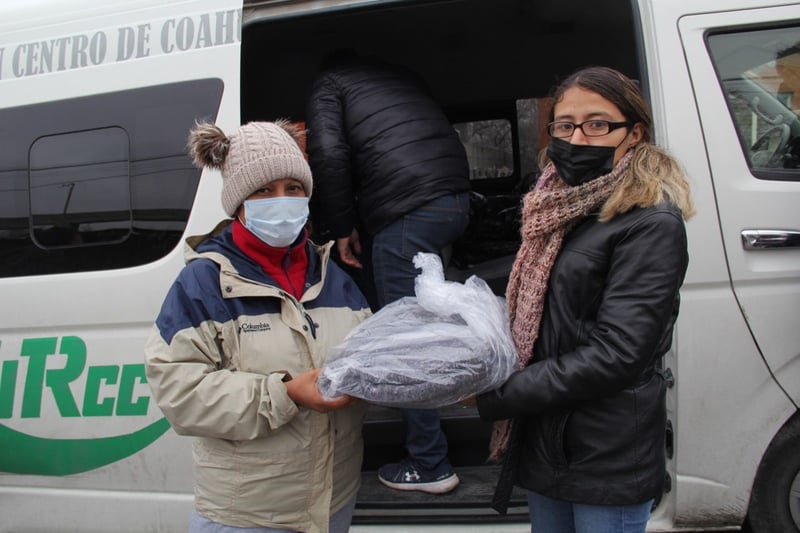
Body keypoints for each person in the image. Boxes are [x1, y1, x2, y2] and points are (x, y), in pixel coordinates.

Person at [475, 66, 696, 533]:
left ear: (634, 133)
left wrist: (503, 393)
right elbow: (547, 314)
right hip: (545, 437)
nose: (577, 137)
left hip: (605, 450)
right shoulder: (556, 207)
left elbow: (620, 353)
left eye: (598, 124)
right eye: (564, 124)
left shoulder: (650, 222)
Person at [143, 119, 372, 533]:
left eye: (293, 188)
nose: (281, 200)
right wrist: (284, 393)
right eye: (264, 191)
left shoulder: (332, 276)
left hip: (333, 504)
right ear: (238, 203)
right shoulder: (203, 282)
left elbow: (370, 355)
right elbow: (178, 389)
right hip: (247, 516)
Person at [304, 51, 470, 495]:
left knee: (402, 337)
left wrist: (341, 228)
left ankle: (430, 462)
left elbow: (329, 154)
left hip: (408, 208)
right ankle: (458, 392)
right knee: (425, 314)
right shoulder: (403, 74)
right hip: (454, 199)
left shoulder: (329, 84)